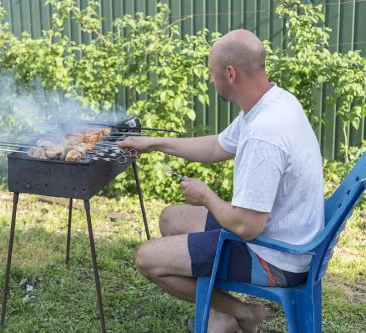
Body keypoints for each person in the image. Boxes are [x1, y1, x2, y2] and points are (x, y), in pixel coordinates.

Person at [118, 29, 324, 333]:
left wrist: (205, 196)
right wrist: (154, 143)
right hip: (284, 235)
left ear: (230, 73)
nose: (211, 81)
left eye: (212, 73)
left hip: (276, 257)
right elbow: (217, 146)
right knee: (172, 218)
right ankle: (220, 319)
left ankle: (245, 313)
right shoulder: (272, 102)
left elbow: (246, 226)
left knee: (147, 258)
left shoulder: (264, 133)